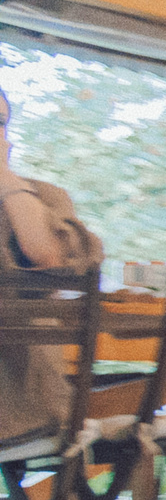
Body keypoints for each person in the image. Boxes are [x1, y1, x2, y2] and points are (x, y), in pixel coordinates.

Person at [0, 92, 104, 462]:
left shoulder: (41, 197)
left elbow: (52, 258)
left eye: (0, 122)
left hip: (19, 400)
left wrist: (7, 180)